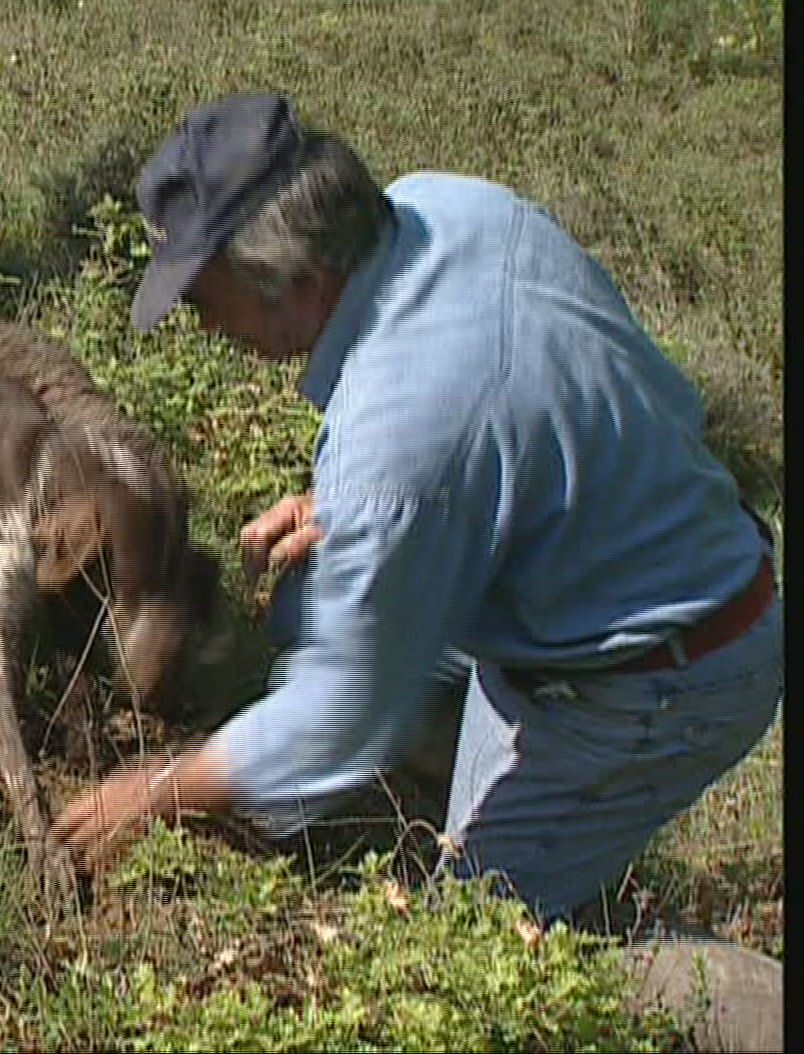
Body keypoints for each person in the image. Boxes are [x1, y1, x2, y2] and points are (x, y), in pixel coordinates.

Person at [49, 91, 782, 934]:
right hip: (669, 553)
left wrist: (160, 789)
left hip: (663, 674)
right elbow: (535, 395)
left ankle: (699, 979)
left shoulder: (398, 440)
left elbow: (343, 714)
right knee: (310, 607)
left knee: (481, 935)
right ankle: (517, 814)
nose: (202, 326)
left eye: (204, 300)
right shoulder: (443, 205)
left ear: (296, 283)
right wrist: (376, 505)